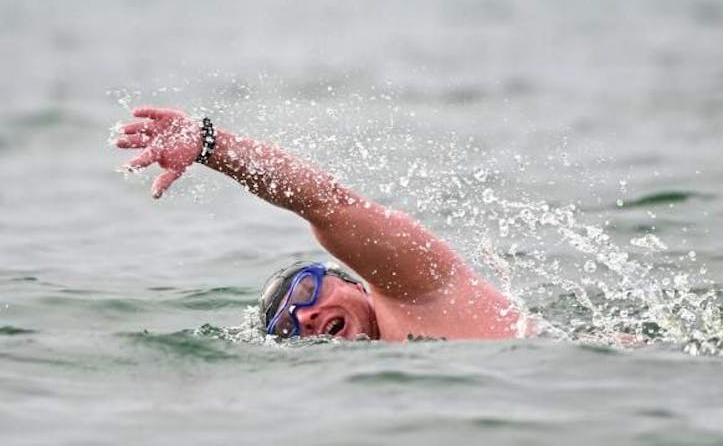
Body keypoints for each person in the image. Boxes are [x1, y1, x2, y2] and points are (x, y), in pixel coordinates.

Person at [115, 107, 527, 341]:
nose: (306, 317)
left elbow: (325, 202)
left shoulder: (415, 290)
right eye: (288, 325)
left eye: (308, 290)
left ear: (352, 280)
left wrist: (211, 146)